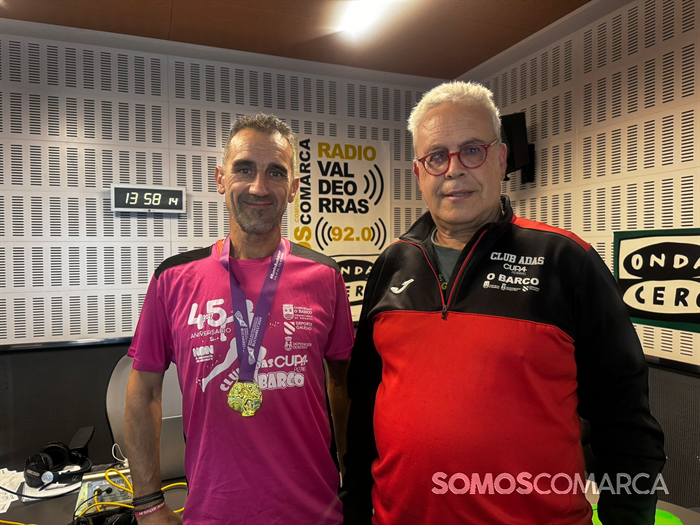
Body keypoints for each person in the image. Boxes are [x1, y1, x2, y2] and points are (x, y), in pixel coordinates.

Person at [342, 81, 665, 525]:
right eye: (436, 157)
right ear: (419, 173)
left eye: (472, 150)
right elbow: (364, 408)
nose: (454, 170)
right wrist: (354, 507)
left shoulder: (567, 261)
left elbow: (625, 419)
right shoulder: (392, 264)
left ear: (501, 158)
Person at [125, 113, 354, 525]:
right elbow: (143, 390)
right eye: (244, 169)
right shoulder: (173, 278)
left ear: (294, 188)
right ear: (220, 179)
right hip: (213, 513)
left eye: (275, 173)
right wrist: (148, 503)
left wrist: (353, 480)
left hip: (316, 513)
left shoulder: (325, 275)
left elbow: (343, 383)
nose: (259, 187)